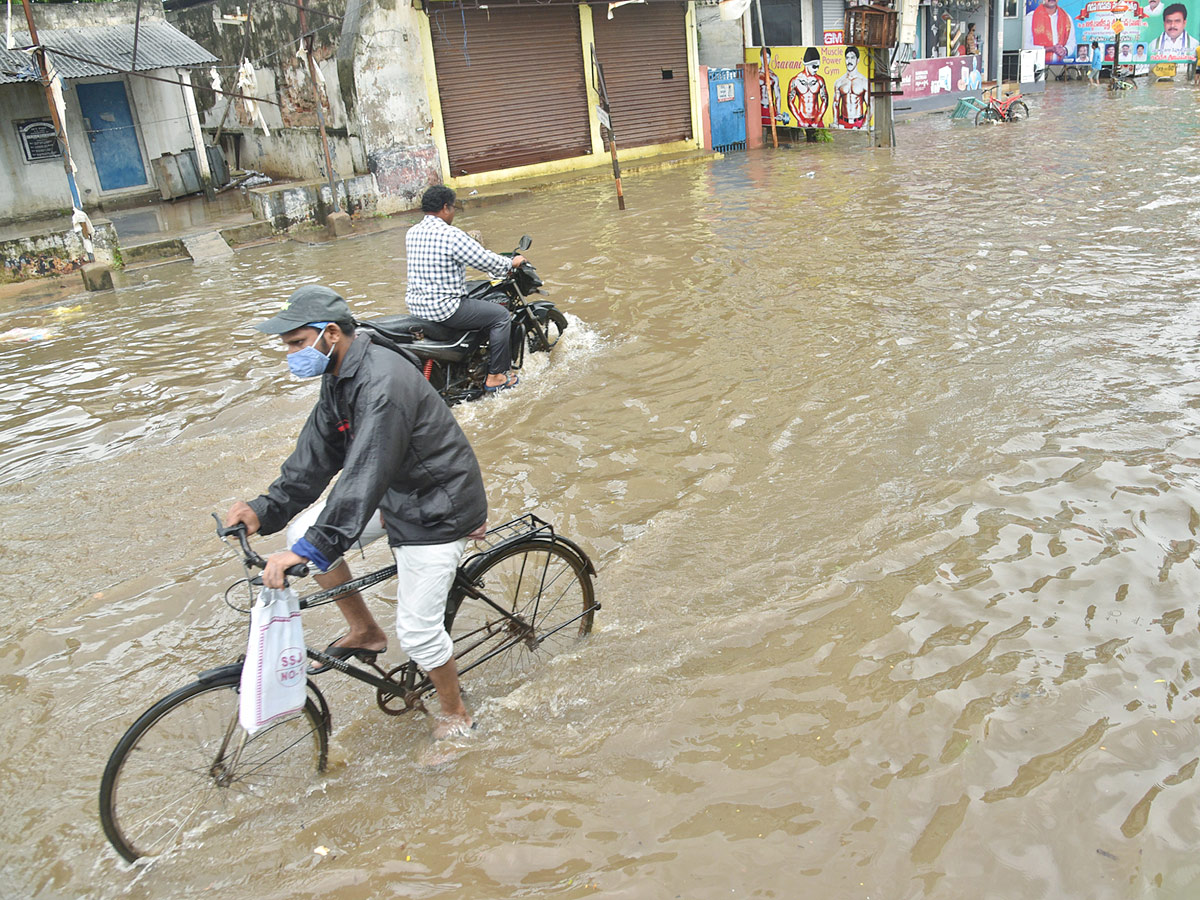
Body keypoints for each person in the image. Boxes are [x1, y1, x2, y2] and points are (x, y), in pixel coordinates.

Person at [225, 284, 489, 741]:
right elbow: (315, 456)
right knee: (302, 533)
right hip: (396, 493)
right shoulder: (341, 373)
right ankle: (364, 630)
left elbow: (365, 472)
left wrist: (317, 548)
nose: (290, 355)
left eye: (295, 343)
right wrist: (264, 511)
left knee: (418, 633)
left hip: (437, 506)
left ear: (330, 334)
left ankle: (455, 715)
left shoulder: (382, 381)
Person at [405, 185, 526, 393]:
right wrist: (511, 263)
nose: (453, 213)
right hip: (445, 309)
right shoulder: (451, 235)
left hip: (417, 307)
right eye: (453, 208)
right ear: (445, 208)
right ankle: (496, 376)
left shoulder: (412, 232)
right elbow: (484, 260)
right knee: (500, 316)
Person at [1024, 0, 1077, 64]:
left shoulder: (1067, 18)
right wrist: (1049, 49)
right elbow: (1025, 46)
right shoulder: (1031, 17)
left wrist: (1064, 50)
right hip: (1036, 66)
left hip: (1060, 67)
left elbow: (1072, 43)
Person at [788, 47, 829, 129]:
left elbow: (825, 100)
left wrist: (818, 119)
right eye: (814, 66)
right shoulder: (795, 80)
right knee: (802, 141)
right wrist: (800, 120)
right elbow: (790, 102)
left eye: (818, 66)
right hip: (803, 119)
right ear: (807, 64)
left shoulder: (819, 80)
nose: (817, 69)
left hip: (817, 119)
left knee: (821, 141)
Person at [833, 46, 869, 129]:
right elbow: (835, 104)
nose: (849, 61)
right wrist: (835, 122)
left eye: (852, 58)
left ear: (858, 60)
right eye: (847, 58)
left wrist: (864, 124)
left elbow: (870, 105)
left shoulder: (863, 81)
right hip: (843, 122)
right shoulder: (839, 82)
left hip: (859, 123)